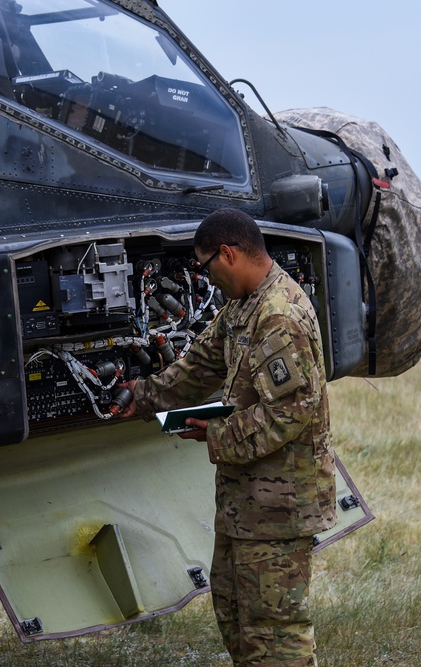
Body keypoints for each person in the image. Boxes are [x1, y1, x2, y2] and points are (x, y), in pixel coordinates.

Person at [121, 208, 335, 667]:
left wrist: (216, 433)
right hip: (245, 502)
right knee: (235, 614)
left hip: (280, 506)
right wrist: (142, 397)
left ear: (228, 254)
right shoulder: (244, 306)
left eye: (206, 268)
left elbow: (292, 411)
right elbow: (200, 365)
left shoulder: (278, 316)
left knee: (274, 630)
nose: (207, 279)